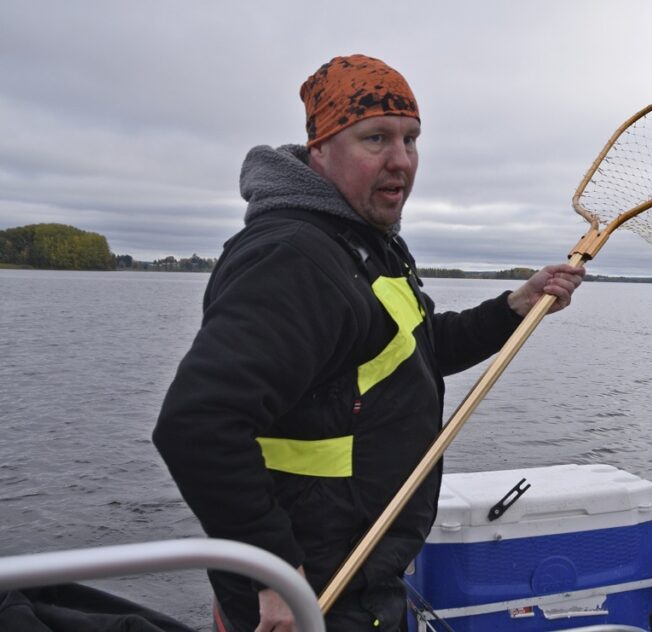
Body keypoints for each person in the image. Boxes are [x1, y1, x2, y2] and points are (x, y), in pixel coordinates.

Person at [152, 54, 584, 632]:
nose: (400, 160)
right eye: (375, 138)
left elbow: (418, 347)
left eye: (411, 139)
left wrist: (515, 307)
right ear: (320, 149)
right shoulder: (294, 258)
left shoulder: (362, 245)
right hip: (314, 597)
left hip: (363, 580)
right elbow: (196, 424)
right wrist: (274, 574)